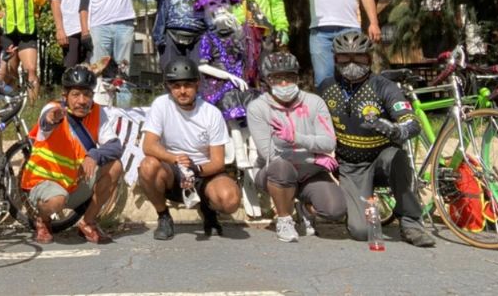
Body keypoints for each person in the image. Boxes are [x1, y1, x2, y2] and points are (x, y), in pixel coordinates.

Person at [317, 31, 434, 247]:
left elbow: (412, 122)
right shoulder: (326, 88)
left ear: (369, 58)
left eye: (359, 57)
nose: (352, 63)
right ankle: (362, 206)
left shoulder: (384, 87)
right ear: (335, 59)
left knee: (397, 157)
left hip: (382, 160)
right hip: (351, 167)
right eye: (345, 58)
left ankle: (411, 222)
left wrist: (397, 130)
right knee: (362, 232)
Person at [246, 52, 346, 242]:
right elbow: (269, 154)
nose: (284, 84)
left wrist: (294, 138)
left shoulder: (314, 102)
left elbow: (328, 142)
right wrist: (313, 156)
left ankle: (305, 208)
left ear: (297, 78)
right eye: (277, 78)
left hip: (311, 173)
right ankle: (284, 219)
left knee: (335, 210)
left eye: (289, 77)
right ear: (267, 80)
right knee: (282, 167)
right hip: (274, 173)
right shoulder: (257, 108)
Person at [138, 56, 241, 240]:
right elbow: (149, 145)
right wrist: (175, 159)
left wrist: (195, 170)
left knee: (230, 200)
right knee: (147, 165)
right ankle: (163, 216)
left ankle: (208, 209)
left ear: (197, 85)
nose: (182, 91)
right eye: (176, 86)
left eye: (188, 85)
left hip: (203, 172)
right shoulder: (161, 105)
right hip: (173, 171)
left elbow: (218, 162)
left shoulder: (211, 113)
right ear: (168, 86)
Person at [21, 66, 124, 244]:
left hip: (75, 182)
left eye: (87, 94)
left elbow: (115, 146)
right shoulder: (53, 109)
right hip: (47, 181)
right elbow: (46, 122)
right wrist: (53, 118)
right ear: (65, 96)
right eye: (76, 94)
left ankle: (88, 222)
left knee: (115, 166)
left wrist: (94, 156)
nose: (82, 101)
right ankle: (43, 220)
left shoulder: (98, 113)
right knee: (56, 201)